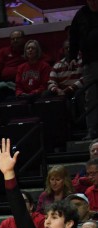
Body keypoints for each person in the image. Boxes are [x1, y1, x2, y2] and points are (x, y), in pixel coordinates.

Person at [70, 0, 98, 139]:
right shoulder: (81, 14)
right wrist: (72, 56)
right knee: (90, 98)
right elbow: (73, 36)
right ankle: (92, 130)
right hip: (89, 62)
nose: (93, 2)